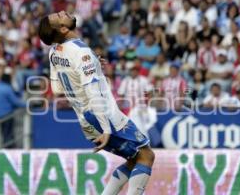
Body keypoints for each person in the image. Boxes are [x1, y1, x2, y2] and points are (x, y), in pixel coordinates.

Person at [38, 11, 155, 195]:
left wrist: (93, 66)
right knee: (146, 155)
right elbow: (93, 91)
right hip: (103, 116)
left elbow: (57, 88)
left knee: (134, 159)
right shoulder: (80, 51)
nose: (62, 12)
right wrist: (106, 128)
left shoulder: (54, 52)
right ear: (63, 28)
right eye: (58, 16)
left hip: (85, 120)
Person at [0, 69, 26, 148]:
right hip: (7, 115)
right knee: (8, 133)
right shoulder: (7, 88)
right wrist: (28, 104)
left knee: (4, 132)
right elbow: (15, 102)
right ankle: (9, 148)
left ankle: (6, 146)